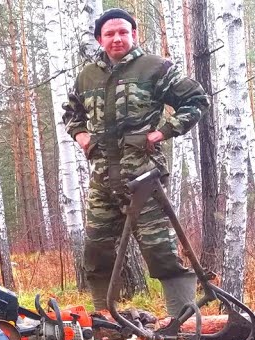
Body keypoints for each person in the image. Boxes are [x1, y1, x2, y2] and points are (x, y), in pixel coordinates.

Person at [62, 8, 210, 318]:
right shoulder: (87, 75)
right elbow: (72, 113)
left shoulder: (154, 68)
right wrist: (81, 136)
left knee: (161, 250)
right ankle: (105, 322)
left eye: (122, 32)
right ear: (100, 39)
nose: (117, 38)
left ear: (133, 34)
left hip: (144, 177)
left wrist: (164, 131)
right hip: (102, 179)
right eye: (109, 34)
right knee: (96, 252)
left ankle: (181, 327)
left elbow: (196, 100)